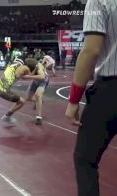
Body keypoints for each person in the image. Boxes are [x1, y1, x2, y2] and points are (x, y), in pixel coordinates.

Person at [65, 0, 117, 195]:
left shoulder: (99, 1)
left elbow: (91, 50)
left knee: (85, 160)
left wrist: (73, 101)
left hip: (110, 91)